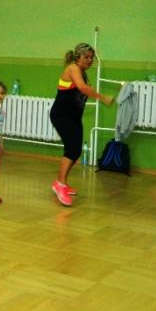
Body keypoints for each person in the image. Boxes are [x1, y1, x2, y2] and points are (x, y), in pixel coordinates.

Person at [49, 43, 114, 207]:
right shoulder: (73, 68)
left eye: (92, 58)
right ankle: (59, 184)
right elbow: (83, 88)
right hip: (61, 115)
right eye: (87, 57)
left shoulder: (82, 72)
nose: (90, 60)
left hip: (73, 117)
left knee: (76, 151)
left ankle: (61, 182)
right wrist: (103, 98)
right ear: (78, 57)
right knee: (71, 149)